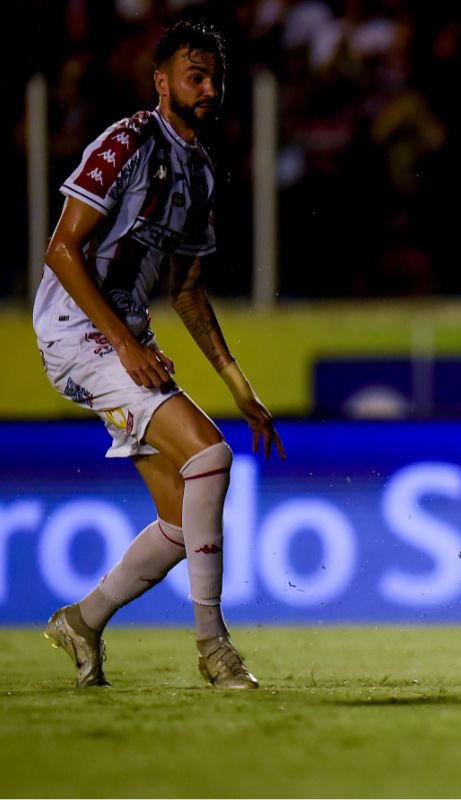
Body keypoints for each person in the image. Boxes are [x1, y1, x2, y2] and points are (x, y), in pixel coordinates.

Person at [35, 20, 284, 689]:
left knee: (180, 521)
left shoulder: (199, 171)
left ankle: (82, 621)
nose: (208, 88)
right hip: (77, 331)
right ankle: (214, 648)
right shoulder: (128, 142)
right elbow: (61, 248)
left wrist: (240, 387)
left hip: (123, 339)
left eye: (215, 77)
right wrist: (123, 343)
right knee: (211, 456)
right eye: (194, 75)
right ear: (163, 81)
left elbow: (191, 292)